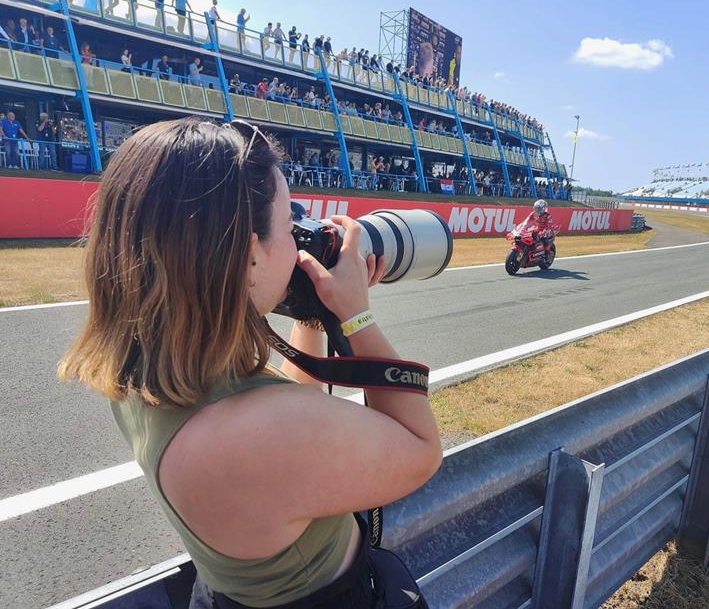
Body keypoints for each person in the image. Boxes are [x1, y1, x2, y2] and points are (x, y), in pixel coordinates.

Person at [58, 117, 440, 608]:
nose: (298, 238)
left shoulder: (149, 360)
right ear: (248, 255)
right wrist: (357, 313)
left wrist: (315, 312)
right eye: (288, 224)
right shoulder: (258, 436)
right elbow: (419, 448)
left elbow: (285, 412)